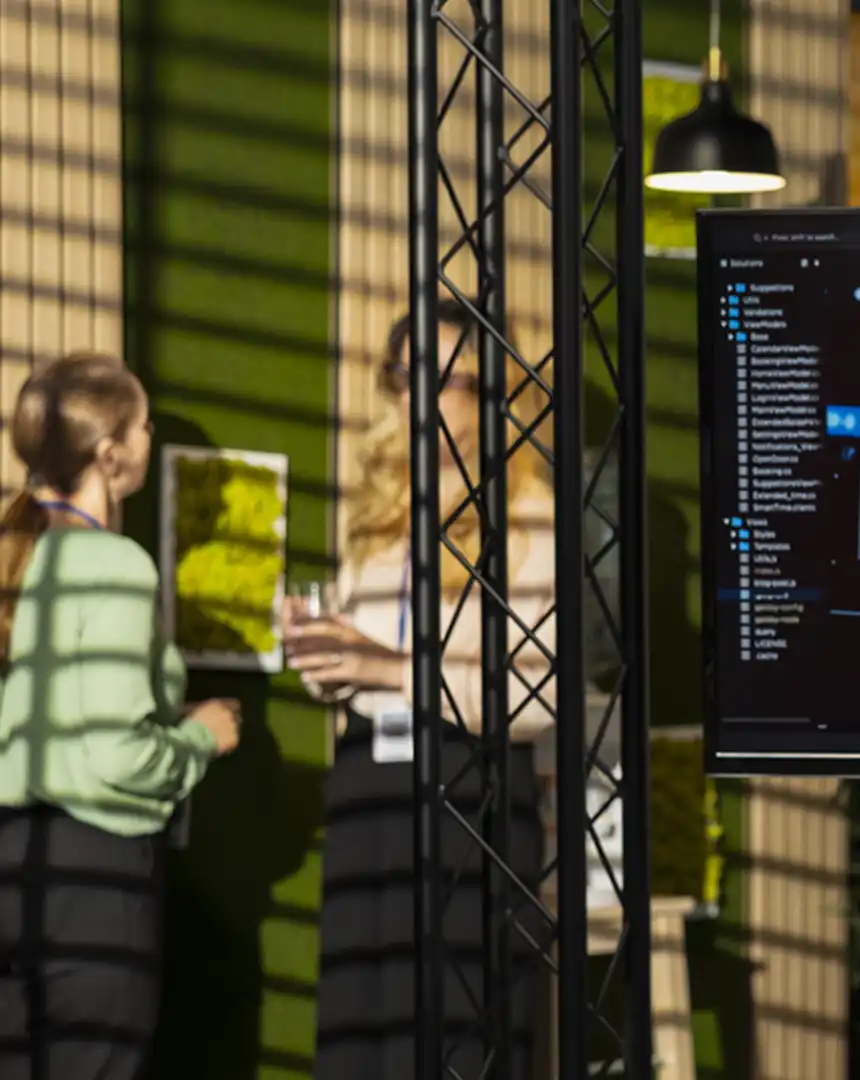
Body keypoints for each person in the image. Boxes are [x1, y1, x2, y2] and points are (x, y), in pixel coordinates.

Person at [285, 305, 557, 1079]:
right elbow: (363, 665)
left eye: (441, 377)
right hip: (369, 789)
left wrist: (392, 669)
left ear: (492, 390)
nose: (418, 396)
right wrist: (322, 650)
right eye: (406, 378)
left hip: (471, 796)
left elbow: (539, 698)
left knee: (454, 1036)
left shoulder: (530, 522)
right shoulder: (383, 515)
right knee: (362, 1031)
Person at [0, 352, 242, 1078]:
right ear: (110, 455)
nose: (150, 437)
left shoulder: (17, 557)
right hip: (93, 885)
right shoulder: (116, 566)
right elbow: (113, 754)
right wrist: (200, 739)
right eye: (143, 425)